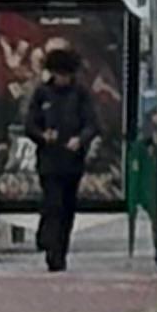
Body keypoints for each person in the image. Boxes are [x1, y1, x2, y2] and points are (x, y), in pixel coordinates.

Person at [23, 45, 99, 271]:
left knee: (67, 207)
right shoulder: (42, 93)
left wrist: (80, 140)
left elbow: (92, 123)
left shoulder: (80, 94)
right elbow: (30, 124)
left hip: (72, 160)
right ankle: (50, 246)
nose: (62, 79)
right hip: (49, 158)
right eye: (58, 74)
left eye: (65, 75)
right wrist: (42, 135)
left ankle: (60, 251)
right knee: (52, 203)